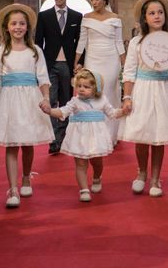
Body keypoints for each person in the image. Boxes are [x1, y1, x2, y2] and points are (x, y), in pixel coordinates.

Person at [0, 4, 54, 208]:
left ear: (27, 27)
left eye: (22, 23)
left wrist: (46, 98)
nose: (18, 27)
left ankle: (25, 178)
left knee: (27, 142)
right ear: (6, 27)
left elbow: (43, 78)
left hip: (30, 98)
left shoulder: (35, 51)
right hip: (9, 99)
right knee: (12, 143)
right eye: (14, 23)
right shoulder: (0, 52)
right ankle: (12, 189)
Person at [119, 0, 168, 197]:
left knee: (159, 136)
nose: (157, 16)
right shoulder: (137, 42)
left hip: (165, 89)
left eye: (160, 12)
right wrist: (127, 97)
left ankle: (156, 179)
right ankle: (141, 173)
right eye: (152, 13)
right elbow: (129, 71)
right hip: (143, 89)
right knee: (143, 135)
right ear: (145, 17)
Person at [41, 69, 125, 202]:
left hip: (96, 137)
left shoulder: (102, 100)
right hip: (79, 137)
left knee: (97, 161)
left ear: (95, 88)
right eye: (79, 86)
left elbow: (113, 113)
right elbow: (63, 111)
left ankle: (97, 177)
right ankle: (84, 189)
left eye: (86, 87)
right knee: (80, 163)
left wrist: (123, 111)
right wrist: (50, 111)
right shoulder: (75, 101)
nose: (81, 89)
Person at [35, 0, 83, 155]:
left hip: (69, 65)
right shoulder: (44, 16)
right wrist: (38, 64)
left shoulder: (77, 17)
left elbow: (81, 43)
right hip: (50, 63)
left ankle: (63, 137)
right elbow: (38, 42)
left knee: (66, 100)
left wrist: (79, 62)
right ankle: (54, 140)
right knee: (51, 99)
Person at [74, 0, 125, 143]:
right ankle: (95, 133)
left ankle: (110, 135)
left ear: (104, 0)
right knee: (94, 93)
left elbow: (119, 42)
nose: (94, 2)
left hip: (111, 59)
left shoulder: (115, 18)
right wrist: (76, 62)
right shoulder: (86, 17)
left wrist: (125, 65)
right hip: (92, 59)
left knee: (109, 92)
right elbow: (82, 41)